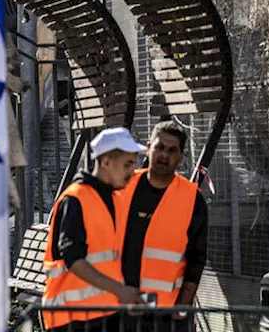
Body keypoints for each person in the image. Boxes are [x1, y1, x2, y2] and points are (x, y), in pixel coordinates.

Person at [42, 127, 145, 331]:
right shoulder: (75, 199)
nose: (132, 172)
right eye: (127, 164)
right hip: (72, 318)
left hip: (104, 313)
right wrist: (120, 291)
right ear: (106, 162)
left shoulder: (114, 199)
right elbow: (73, 259)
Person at [118, 120, 208, 330]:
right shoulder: (122, 186)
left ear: (180, 157)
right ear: (148, 148)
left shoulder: (192, 198)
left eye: (172, 150)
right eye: (159, 147)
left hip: (166, 313)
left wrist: (183, 305)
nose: (164, 155)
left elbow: (197, 257)